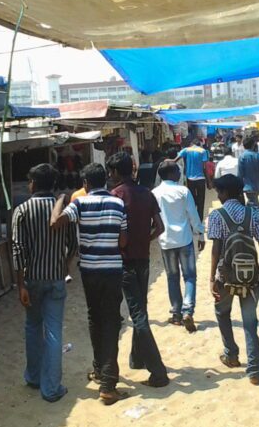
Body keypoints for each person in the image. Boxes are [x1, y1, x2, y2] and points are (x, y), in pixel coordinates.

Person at [50, 163, 130, 404]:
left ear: (85, 184)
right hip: (112, 270)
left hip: (89, 271)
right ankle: (108, 383)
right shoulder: (118, 203)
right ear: (105, 180)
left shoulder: (79, 203)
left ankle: (99, 370)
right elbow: (123, 241)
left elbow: (55, 223)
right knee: (112, 321)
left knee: (95, 318)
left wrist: (60, 200)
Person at [11, 163, 76, 402]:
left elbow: (17, 250)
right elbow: (73, 244)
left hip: (31, 280)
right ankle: (51, 388)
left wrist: (21, 285)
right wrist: (65, 263)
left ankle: (34, 377)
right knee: (53, 331)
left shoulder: (22, 210)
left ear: (34, 184)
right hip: (56, 278)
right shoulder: (64, 210)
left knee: (32, 327)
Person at [107, 152, 170, 387]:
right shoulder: (147, 193)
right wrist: (145, 239)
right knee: (140, 307)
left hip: (125, 261)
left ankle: (158, 371)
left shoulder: (115, 197)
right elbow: (160, 227)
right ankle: (137, 358)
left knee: (138, 314)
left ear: (114, 173)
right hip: (143, 258)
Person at [208, 174, 259, 385]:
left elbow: (216, 249)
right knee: (250, 322)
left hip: (225, 277)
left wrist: (211, 278)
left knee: (222, 313)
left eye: (219, 192)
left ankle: (231, 354)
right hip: (251, 277)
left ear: (226, 193)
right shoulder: (252, 213)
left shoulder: (217, 215)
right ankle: (254, 371)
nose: (218, 195)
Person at [152, 160, 205, 331]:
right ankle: (188, 310)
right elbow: (193, 214)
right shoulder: (183, 191)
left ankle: (176, 313)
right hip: (184, 239)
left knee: (172, 277)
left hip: (166, 241)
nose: (179, 174)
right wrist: (200, 233)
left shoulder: (154, 193)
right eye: (177, 171)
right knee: (189, 276)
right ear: (172, 174)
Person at [177, 137, 210, 220]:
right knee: (201, 201)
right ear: (199, 144)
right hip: (201, 179)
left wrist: (166, 160)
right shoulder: (203, 151)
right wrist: (209, 181)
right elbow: (205, 168)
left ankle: (192, 221)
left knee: (191, 201)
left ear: (192, 144)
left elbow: (175, 160)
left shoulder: (186, 150)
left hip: (190, 179)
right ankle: (199, 222)